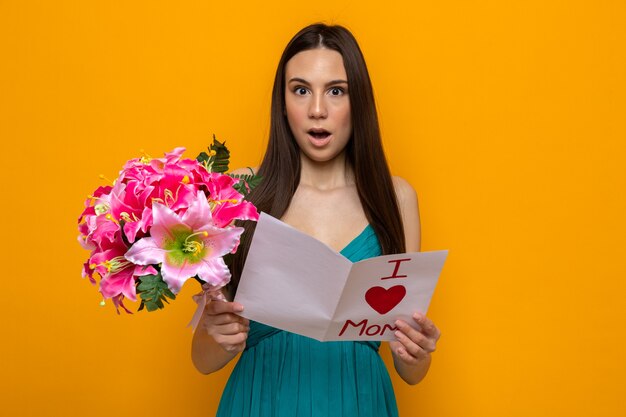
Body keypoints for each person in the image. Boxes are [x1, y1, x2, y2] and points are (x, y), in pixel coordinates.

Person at [191, 23, 441, 417]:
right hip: (261, 401)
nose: (317, 109)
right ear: (283, 100)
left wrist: (417, 352)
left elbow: (411, 371)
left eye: (336, 91)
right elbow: (204, 361)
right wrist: (216, 333)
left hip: (361, 402)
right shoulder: (239, 192)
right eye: (301, 90)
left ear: (358, 100)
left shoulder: (397, 198)